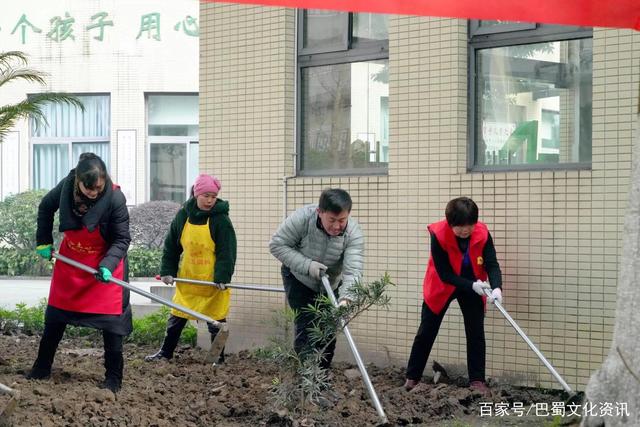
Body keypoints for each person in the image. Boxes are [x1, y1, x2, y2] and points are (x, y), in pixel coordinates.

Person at [29, 152, 131, 393]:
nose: (94, 193)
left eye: (99, 187)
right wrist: (43, 241)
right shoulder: (66, 188)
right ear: (78, 182)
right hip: (72, 263)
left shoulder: (116, 198)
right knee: (55, 316)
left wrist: (107, 264)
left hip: (104, 266)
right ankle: (41, 368)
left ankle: (113, 378)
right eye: (89, 188)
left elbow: (122, 239)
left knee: (112, 324)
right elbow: (45, 207)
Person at [404, 197, 502, 394]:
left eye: (469, 226)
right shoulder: (439, 234)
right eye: (460, 227)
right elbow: (444, 273)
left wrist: (497, 287)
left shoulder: (482, 232)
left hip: (474, 283)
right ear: (450, 223)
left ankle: (477, 380)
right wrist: (471, 285)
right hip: (442, 284)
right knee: (427, 331)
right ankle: (412, 377)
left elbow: (492, 263)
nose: (465, 231)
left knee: (476, 332)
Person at [145, 174, 237, 363]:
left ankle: (217, 359)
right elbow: (171, 245)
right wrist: (167, 271)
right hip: (189, 279)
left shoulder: (221, 220)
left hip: (212, 283)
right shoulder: (183, 215)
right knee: (176, 319)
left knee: (216, 323)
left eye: (213, 196)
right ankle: (165, 353)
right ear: (196, 194)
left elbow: (227, 252)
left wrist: (222, 276)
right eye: (206, 196)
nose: (210, 200)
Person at [269, 188, 364, 370]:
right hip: (298, 278)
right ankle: (304, 384)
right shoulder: (302, 219)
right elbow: (277, 245)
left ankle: (320, 382)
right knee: (307, 326)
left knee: (328, 332)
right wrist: (308, 265)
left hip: (331, 283)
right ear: (320, 212)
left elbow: (353, 271)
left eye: (342, 220)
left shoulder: (353, 233)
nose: (337, 226)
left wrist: (346, 299)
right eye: (332, 220)